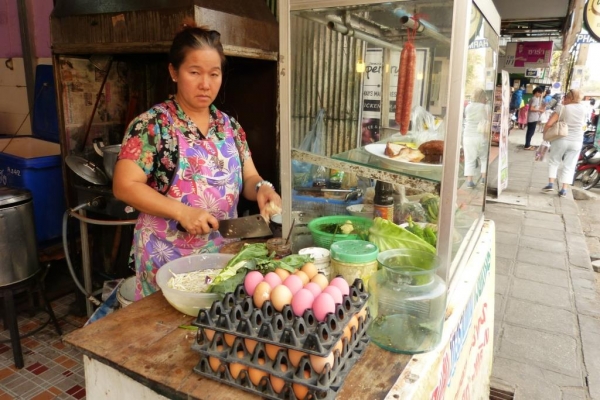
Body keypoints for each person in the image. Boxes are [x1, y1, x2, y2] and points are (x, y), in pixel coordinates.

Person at [112, 24, 282, 299]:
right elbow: (124, 185)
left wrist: (263, 188)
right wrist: (182, 213)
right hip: (166, 259)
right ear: (173, 72)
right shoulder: (153, 125)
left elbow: (249, 179)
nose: (206, 84)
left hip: (222, 255)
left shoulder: (230, 126)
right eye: (194, 72)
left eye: (214, 74)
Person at [541, 89, 588, 198]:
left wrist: (545, 134)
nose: (564, 99)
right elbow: (584, 125)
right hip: (577, 140)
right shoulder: (584, 109)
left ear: (570, 98)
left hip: (561, 138)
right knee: (570, 165)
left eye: (566, 97)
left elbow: (549, 123)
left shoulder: (562, 107)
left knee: (554, 160)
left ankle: (551, 184)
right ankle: (564, 190)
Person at [462, 89, 490, 189]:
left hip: (468, 135)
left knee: (469, 159)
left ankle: (469, 181)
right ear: (483, 97)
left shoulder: (468, 107)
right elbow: (488, 120)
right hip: (482, 135)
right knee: (484, 157)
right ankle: (483, 178)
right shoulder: (486, 107)